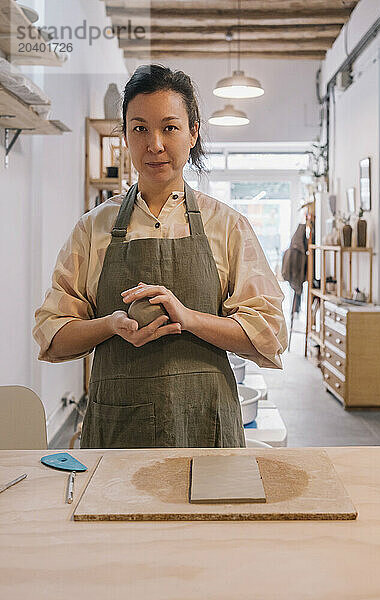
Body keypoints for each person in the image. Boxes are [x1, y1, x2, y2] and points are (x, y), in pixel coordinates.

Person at [33, 64, 287, 449]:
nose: (154, 144)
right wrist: (111, 325)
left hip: (205, 424)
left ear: (193, 131)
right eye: (139, 128)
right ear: (125, 135)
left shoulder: (227, 226)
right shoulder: (92, 229)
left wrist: (190, 318)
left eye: (169, 127)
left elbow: (268, 334)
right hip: (119, 428)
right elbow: (52, 336)